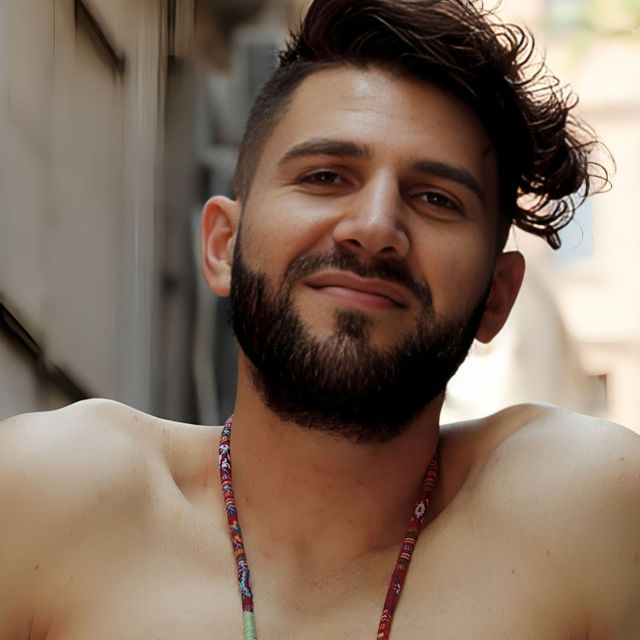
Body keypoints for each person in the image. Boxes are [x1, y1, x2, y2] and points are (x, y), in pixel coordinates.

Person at [2, 0, 639, 638]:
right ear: (223, 246)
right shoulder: (49, 496)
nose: (374, 228)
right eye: (326, 176)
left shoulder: (582, 517)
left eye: (435, 199)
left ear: (496, 298)